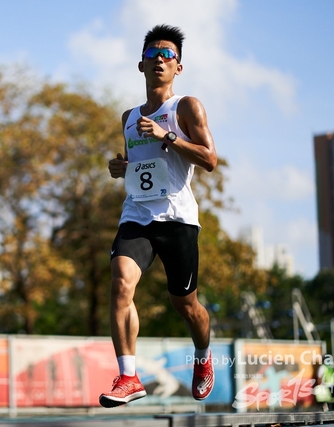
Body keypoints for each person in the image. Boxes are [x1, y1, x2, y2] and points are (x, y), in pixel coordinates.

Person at [99, 24, 218, 408]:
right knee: (120, 284)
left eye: (168, 55)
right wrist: (121, 167)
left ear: (178, 67)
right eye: (153, 54)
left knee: (185, 305)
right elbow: (139, 165)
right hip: (137, 214)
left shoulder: (186, 107)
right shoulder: (129, 117)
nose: (160, 60)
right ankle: (128, 376)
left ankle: (203, 357)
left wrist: (167, 136)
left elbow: (210, 159)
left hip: (178, 219)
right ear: (141, 65)